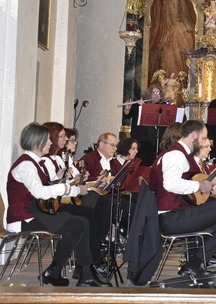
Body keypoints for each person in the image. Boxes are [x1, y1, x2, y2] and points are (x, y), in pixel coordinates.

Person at [6, 123, 110, 287]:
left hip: (35, 211)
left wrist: (60, 178)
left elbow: (44, 189)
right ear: (38, 141)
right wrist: (68, 187)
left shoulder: (35, 162)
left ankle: (66, 272)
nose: (50, 143)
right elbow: (40, 192)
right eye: (47, 140)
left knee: (81, 223)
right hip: (24, 217)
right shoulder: (26, 164)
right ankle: (67, 272)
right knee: (79, 224)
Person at [149, 120, 216, 277]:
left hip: (177, 213)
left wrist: (209, 183)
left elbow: (188, 184)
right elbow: (170, 184)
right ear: (193, 135)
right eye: (203, 138)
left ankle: (194, 265)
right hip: (170, 217)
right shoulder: (175, 155)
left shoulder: (181, 154)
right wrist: (200, 186)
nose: (204, 143)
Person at [123, 84, 168, 166]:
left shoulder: (164, 107)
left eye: (158, 93)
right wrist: (127, 109)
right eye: (153, 92)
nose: (156, 95)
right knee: (142, 164)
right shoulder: (139, 104)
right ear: (149, 94)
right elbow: (127, 115)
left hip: (156, 141)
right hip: (141, 141)